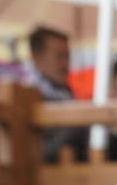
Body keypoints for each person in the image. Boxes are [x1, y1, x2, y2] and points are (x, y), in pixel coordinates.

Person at [23, 26, 87, 162]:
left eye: (67, 56)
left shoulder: (65, 92)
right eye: (59, 56)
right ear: (36, 57)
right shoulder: (27, 93)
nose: (65, 64)